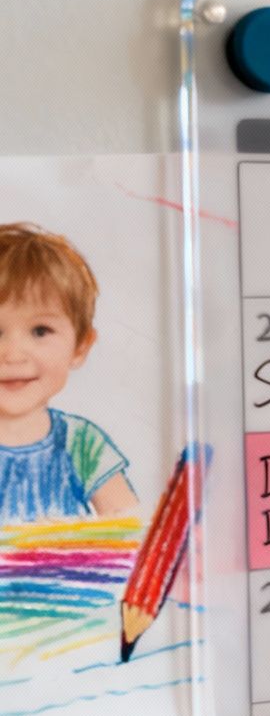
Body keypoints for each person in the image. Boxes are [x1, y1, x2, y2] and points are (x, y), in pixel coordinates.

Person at [0, 223, 138, 520]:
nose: (12, 355)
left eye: (40, 330)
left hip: (69, 568)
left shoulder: (81, 442)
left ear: (80, 347)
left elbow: (129, 524)